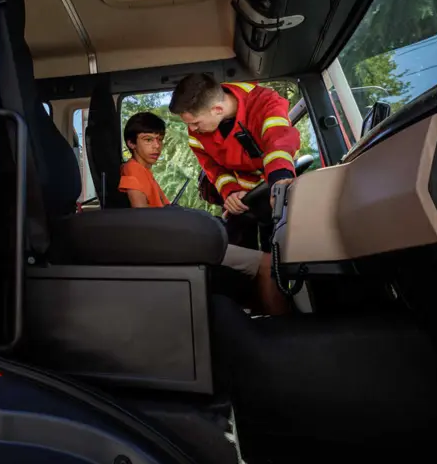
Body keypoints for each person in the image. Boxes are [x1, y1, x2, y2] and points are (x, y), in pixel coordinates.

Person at [118, 111, 288, 315]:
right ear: (131, 143)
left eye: (159, 139)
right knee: (267, 262)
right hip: (173, 247)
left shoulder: (144, 172)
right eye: (148, 140)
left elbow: (161, 214)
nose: (156, 146)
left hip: (175, 242)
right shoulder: (133, 170)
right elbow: (143, 220)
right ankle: (280, 329)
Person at [168, 74, 301, 241]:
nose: (192, 129)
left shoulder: (266, 103)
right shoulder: (197, 133)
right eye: (188, 124)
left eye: (195, 123)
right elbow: (213, 169)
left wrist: (280, 180)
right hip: (244, 201)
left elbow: (278, 142)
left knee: (280, 242)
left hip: (273, 188)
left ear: (217, 109)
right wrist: (230, 192)